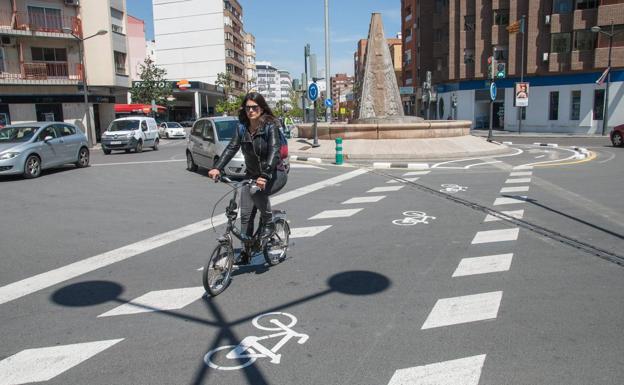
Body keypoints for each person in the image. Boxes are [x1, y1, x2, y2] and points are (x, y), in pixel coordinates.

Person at [208, 92, 288, 264]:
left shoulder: (269, 126)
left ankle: (268, 222)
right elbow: (231, 147)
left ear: (261, 108)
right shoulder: (242, 127)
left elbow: (274, 152)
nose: (251, 110)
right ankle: (246, 251)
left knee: (256, 192)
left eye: (254, 107)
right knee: (245, 215)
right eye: (248, 107)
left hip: (275, 174)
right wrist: (217, 167)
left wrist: (265, 175)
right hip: (252, 175)